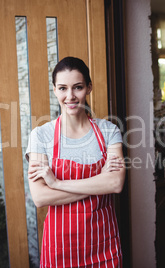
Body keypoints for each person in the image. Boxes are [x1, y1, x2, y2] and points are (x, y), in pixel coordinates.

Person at [25, 56, 125, 268]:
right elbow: (41, 197)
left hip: (103, 243)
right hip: (60, 246)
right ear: (54, 90)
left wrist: (57, 184)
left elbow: (115, 184)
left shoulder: (109, 131)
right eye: (62, 88)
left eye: (77, 87)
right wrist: (100, 182)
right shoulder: (41, 135)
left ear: (89, 88)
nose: (70, 96)